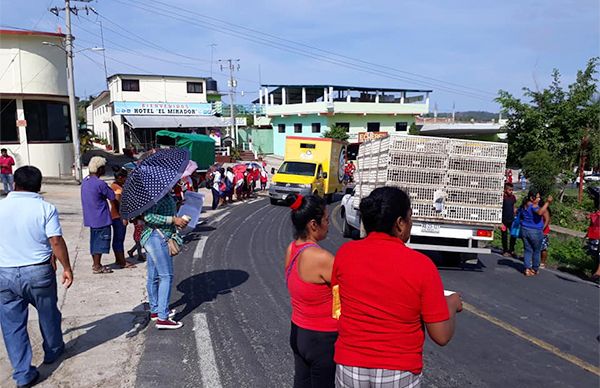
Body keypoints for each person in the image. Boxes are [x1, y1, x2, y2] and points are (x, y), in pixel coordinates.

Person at [332, 187, 462, 387]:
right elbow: (441, 336)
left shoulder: (345, 254)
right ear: (400, 224)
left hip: (349, 364)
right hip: (397, 368)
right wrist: (451, 304)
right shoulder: (422, 265)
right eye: (410, 217)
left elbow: (337, 307)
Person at [0, 166, 73, 387]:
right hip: (38, 271)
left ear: (14, 184)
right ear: (39, 186)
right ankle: (52, 351)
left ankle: (23, 374)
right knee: (48, 312)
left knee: (12, 325)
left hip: (5, 272)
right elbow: (55, 241)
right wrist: (67, 267)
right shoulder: (45, 208)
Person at [283, 194, 337, 388]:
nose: (329, 224)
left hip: (298, 331)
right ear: (313, 224)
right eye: (326, 219)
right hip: (322, 339)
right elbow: (345, 295)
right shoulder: (322, 258)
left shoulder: (292, 248)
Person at [142, 192, 189, 329]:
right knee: (166, 276)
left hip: (154, 237)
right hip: (157, 238)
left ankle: (156, 310)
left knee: (154, 276)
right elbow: (148, 216)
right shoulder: (156, 194)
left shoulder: (164, 193)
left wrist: (178, 221)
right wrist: (173, 220)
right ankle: (162, 317)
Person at [81, 156, 115, 274]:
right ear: (99, 169)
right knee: (100, 242)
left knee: (94, 241)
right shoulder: (100, 184)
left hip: (91, 217)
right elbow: (112, 196)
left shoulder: (86, 181)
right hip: (101, 217)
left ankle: (96, 263)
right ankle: (97, 265)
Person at [520, 190, 552, 277]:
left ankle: (527, 268)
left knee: (527, 250)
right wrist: (547, 202)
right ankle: (534, 269)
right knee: (537, 251)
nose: (539, 199)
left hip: (524, 229)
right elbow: (540, 212)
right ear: (532, 198)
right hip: (535, 231)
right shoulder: (533, 206)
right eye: (537, 197)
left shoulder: (525, 205)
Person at [109, 168, 135, 269]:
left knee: (118, 239)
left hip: (116, 216)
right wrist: (124, 216)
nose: (126, 180)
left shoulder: (115, 186)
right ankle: (122, 261)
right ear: (120, 178)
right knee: (119, 239)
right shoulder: (117, 188)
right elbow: (119, 203)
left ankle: (119, 259)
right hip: (118, 216)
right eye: (125, 178)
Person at [501, 183, 517, 257]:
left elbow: (513, 206)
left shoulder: (513, 197)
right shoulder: (502, 198)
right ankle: (505, 250)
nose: (511, 191)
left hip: (511, 219)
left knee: (513, 235)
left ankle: (511, 249)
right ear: (505, 190)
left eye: (512, 190)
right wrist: (500, 222)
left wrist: (515, 214)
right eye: (509, 190)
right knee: (504, 236)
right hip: (503, 220)